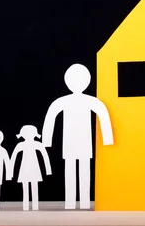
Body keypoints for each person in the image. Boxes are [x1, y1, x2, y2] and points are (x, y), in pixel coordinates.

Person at [42, 63, 113, 209]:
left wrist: (108, 138)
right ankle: (73, 202)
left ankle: (82, 202)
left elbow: (103, 115)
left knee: (81, 171)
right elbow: (51, 117)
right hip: (72, 144)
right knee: (75, 171)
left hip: (82, 143)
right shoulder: (83, 101)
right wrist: (46, 140)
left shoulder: (72, 101)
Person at [11, 125, 52, 211]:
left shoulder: (37, 144)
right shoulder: (21, 145)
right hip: (25, 169)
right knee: (26, 189)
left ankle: (35, 206)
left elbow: (45, 156)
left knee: (34, 188)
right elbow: (13, 157)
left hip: (34, 168)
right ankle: (26, 207)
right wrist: (10, 172)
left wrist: (48, 170)